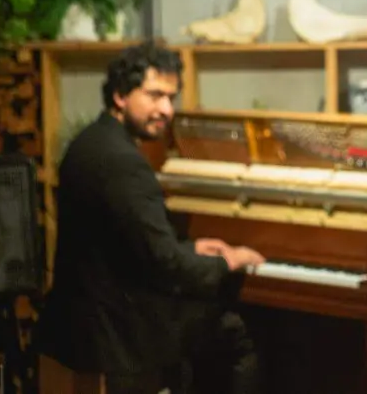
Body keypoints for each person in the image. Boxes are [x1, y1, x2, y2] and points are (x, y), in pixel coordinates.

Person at [35, 42, 264, 394]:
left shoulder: (90, 141)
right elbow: (164, 262)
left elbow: (130, 244)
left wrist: (190, 248)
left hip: (84, 317)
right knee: (238, 330)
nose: (166, 110)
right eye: (155, 96)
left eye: (171, 98)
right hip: (117, 330)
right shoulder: (124, 162)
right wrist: (227, 262)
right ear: (120, 96)